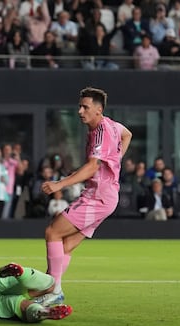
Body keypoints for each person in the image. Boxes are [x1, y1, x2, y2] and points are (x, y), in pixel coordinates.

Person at [40, 87, 132, 305]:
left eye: (85, 107)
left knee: (52, 232)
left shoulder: (101, 130)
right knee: (66, 246)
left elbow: (92, 168)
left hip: (98, 196)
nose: (80, 111)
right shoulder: (111, 125)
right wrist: (116, 158)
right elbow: (127, 134)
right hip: (107, 196)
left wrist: (59, 184)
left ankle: (53, 290)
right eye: (80, 106)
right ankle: (48, 290)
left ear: (98, 110)